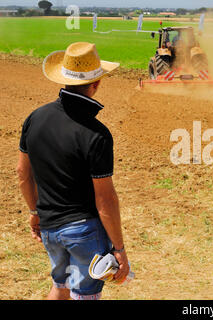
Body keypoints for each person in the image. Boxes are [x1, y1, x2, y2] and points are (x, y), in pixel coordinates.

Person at [16, 42, 130, 300]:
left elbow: (23, 173)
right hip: (83, 231)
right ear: (96, 84)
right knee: (85, 294)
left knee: (61, 285)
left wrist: (35, 212)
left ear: (65, 78)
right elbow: (105, 199)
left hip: (49, 227)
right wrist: (119, 249)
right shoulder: (96, 134)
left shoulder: (35, 118)